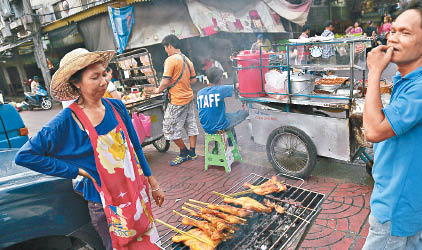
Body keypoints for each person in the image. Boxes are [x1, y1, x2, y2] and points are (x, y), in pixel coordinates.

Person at [15, 48, 165, 250]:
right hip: (104, 205)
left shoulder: (116, 107)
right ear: (76, 83)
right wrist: (77, 171)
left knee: (147, 243)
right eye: (95, 77)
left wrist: (153, 182)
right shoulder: (66, 120)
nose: (103, 81)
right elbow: (26, 156)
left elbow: (134, 147)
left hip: (135, 192)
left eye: (104, 74)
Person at [362, 1, 422, 249]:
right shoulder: (409, 78)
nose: (393, 40)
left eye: (405, 33)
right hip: (407, 198)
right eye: (393, 31)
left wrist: (374, 72)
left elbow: (374, 131)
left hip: (397, 204)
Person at [152, 35, 199, 166]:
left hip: (177, 99)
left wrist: (158, 90)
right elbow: (194, 80)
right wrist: (183, 83)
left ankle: (183, 152)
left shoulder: (171, 60)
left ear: (169, 46)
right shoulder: (187, 60)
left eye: (165, 47)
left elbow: (166, 81)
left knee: (168, 129)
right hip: (189, 97)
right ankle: (193, 152)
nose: (166, 50)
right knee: (190, 124)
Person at [197, 67, 249, 143]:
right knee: (243, 113)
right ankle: (231, 150)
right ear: (220, 78)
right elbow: (239, 86)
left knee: (229, 117)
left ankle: (229, 148)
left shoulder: (200, 92)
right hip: (219, 127)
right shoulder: (220, 89)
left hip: (206, 127)